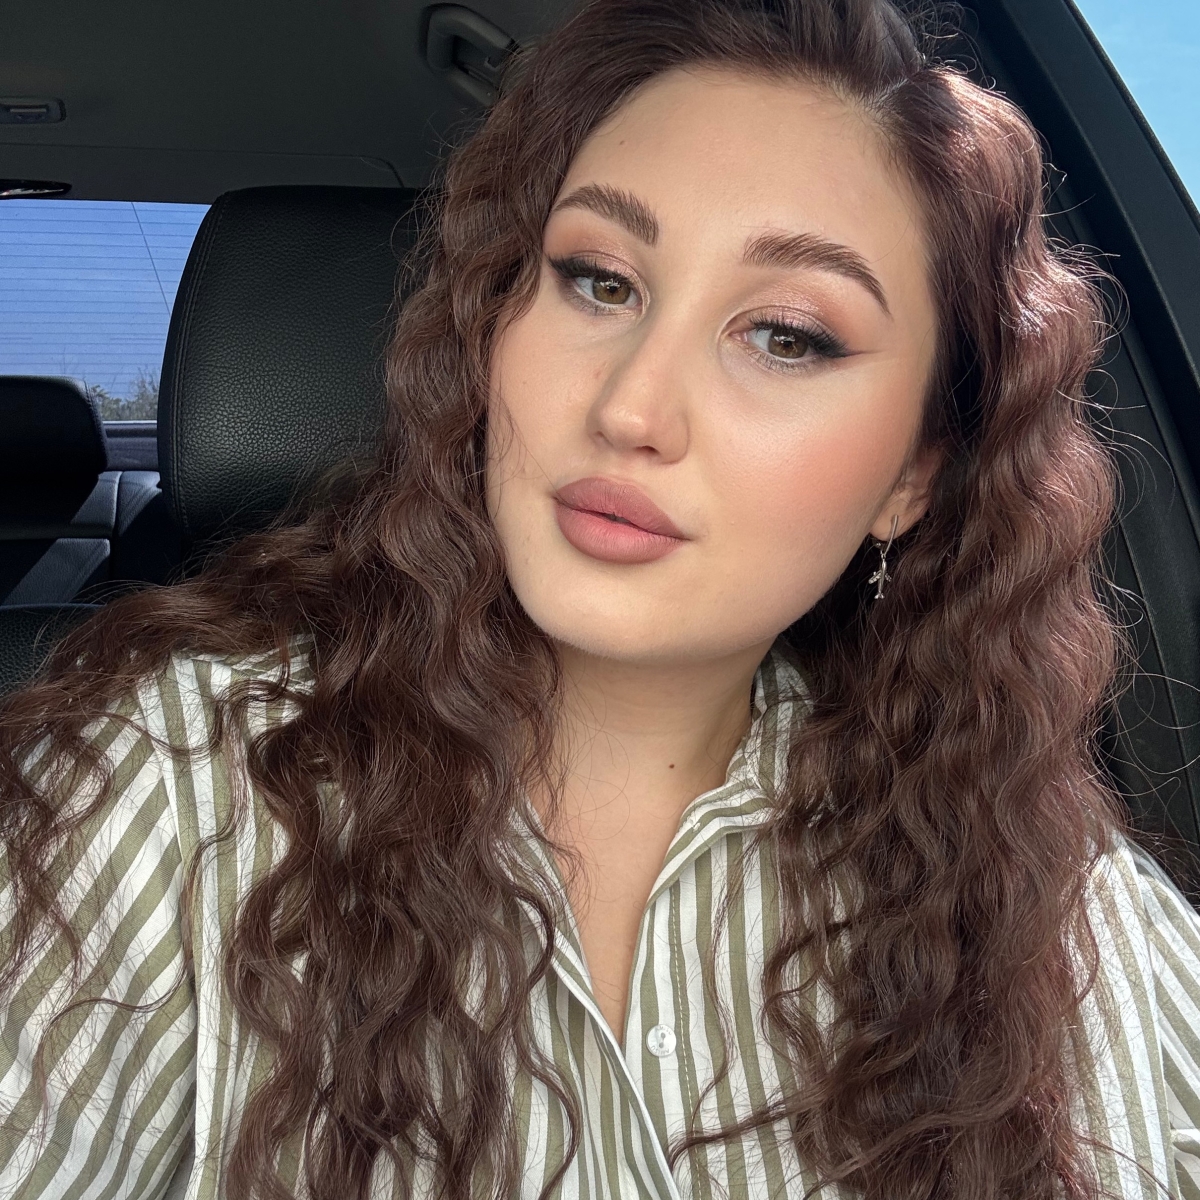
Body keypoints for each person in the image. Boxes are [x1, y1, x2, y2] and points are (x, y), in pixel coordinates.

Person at [3, 0, 1200, 1197]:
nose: (630, 408)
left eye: (786, 336)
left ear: (911, 478)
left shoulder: (1042, 898)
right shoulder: (177, 783)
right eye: (598, 281)